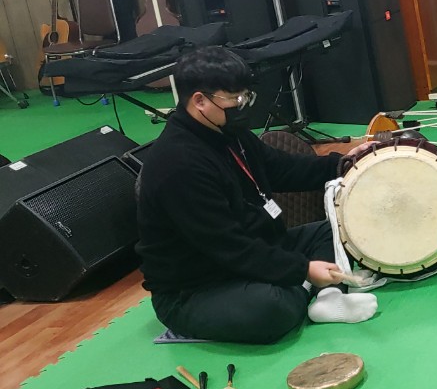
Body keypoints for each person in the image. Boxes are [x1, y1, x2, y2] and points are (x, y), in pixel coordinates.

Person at [137, 46, 377, 344]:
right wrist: (302, 269)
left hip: (257, 249)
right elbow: (227, 245)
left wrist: (346, 163)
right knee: (272, 310)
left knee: (338, 227)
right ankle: (308, 288)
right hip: (199, 286)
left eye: (245, 96)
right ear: (200, 101)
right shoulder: (177, 164)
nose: (243, 105)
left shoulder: (228, 133)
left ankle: (328, 298)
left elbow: (285, 169)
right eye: (234, 99)